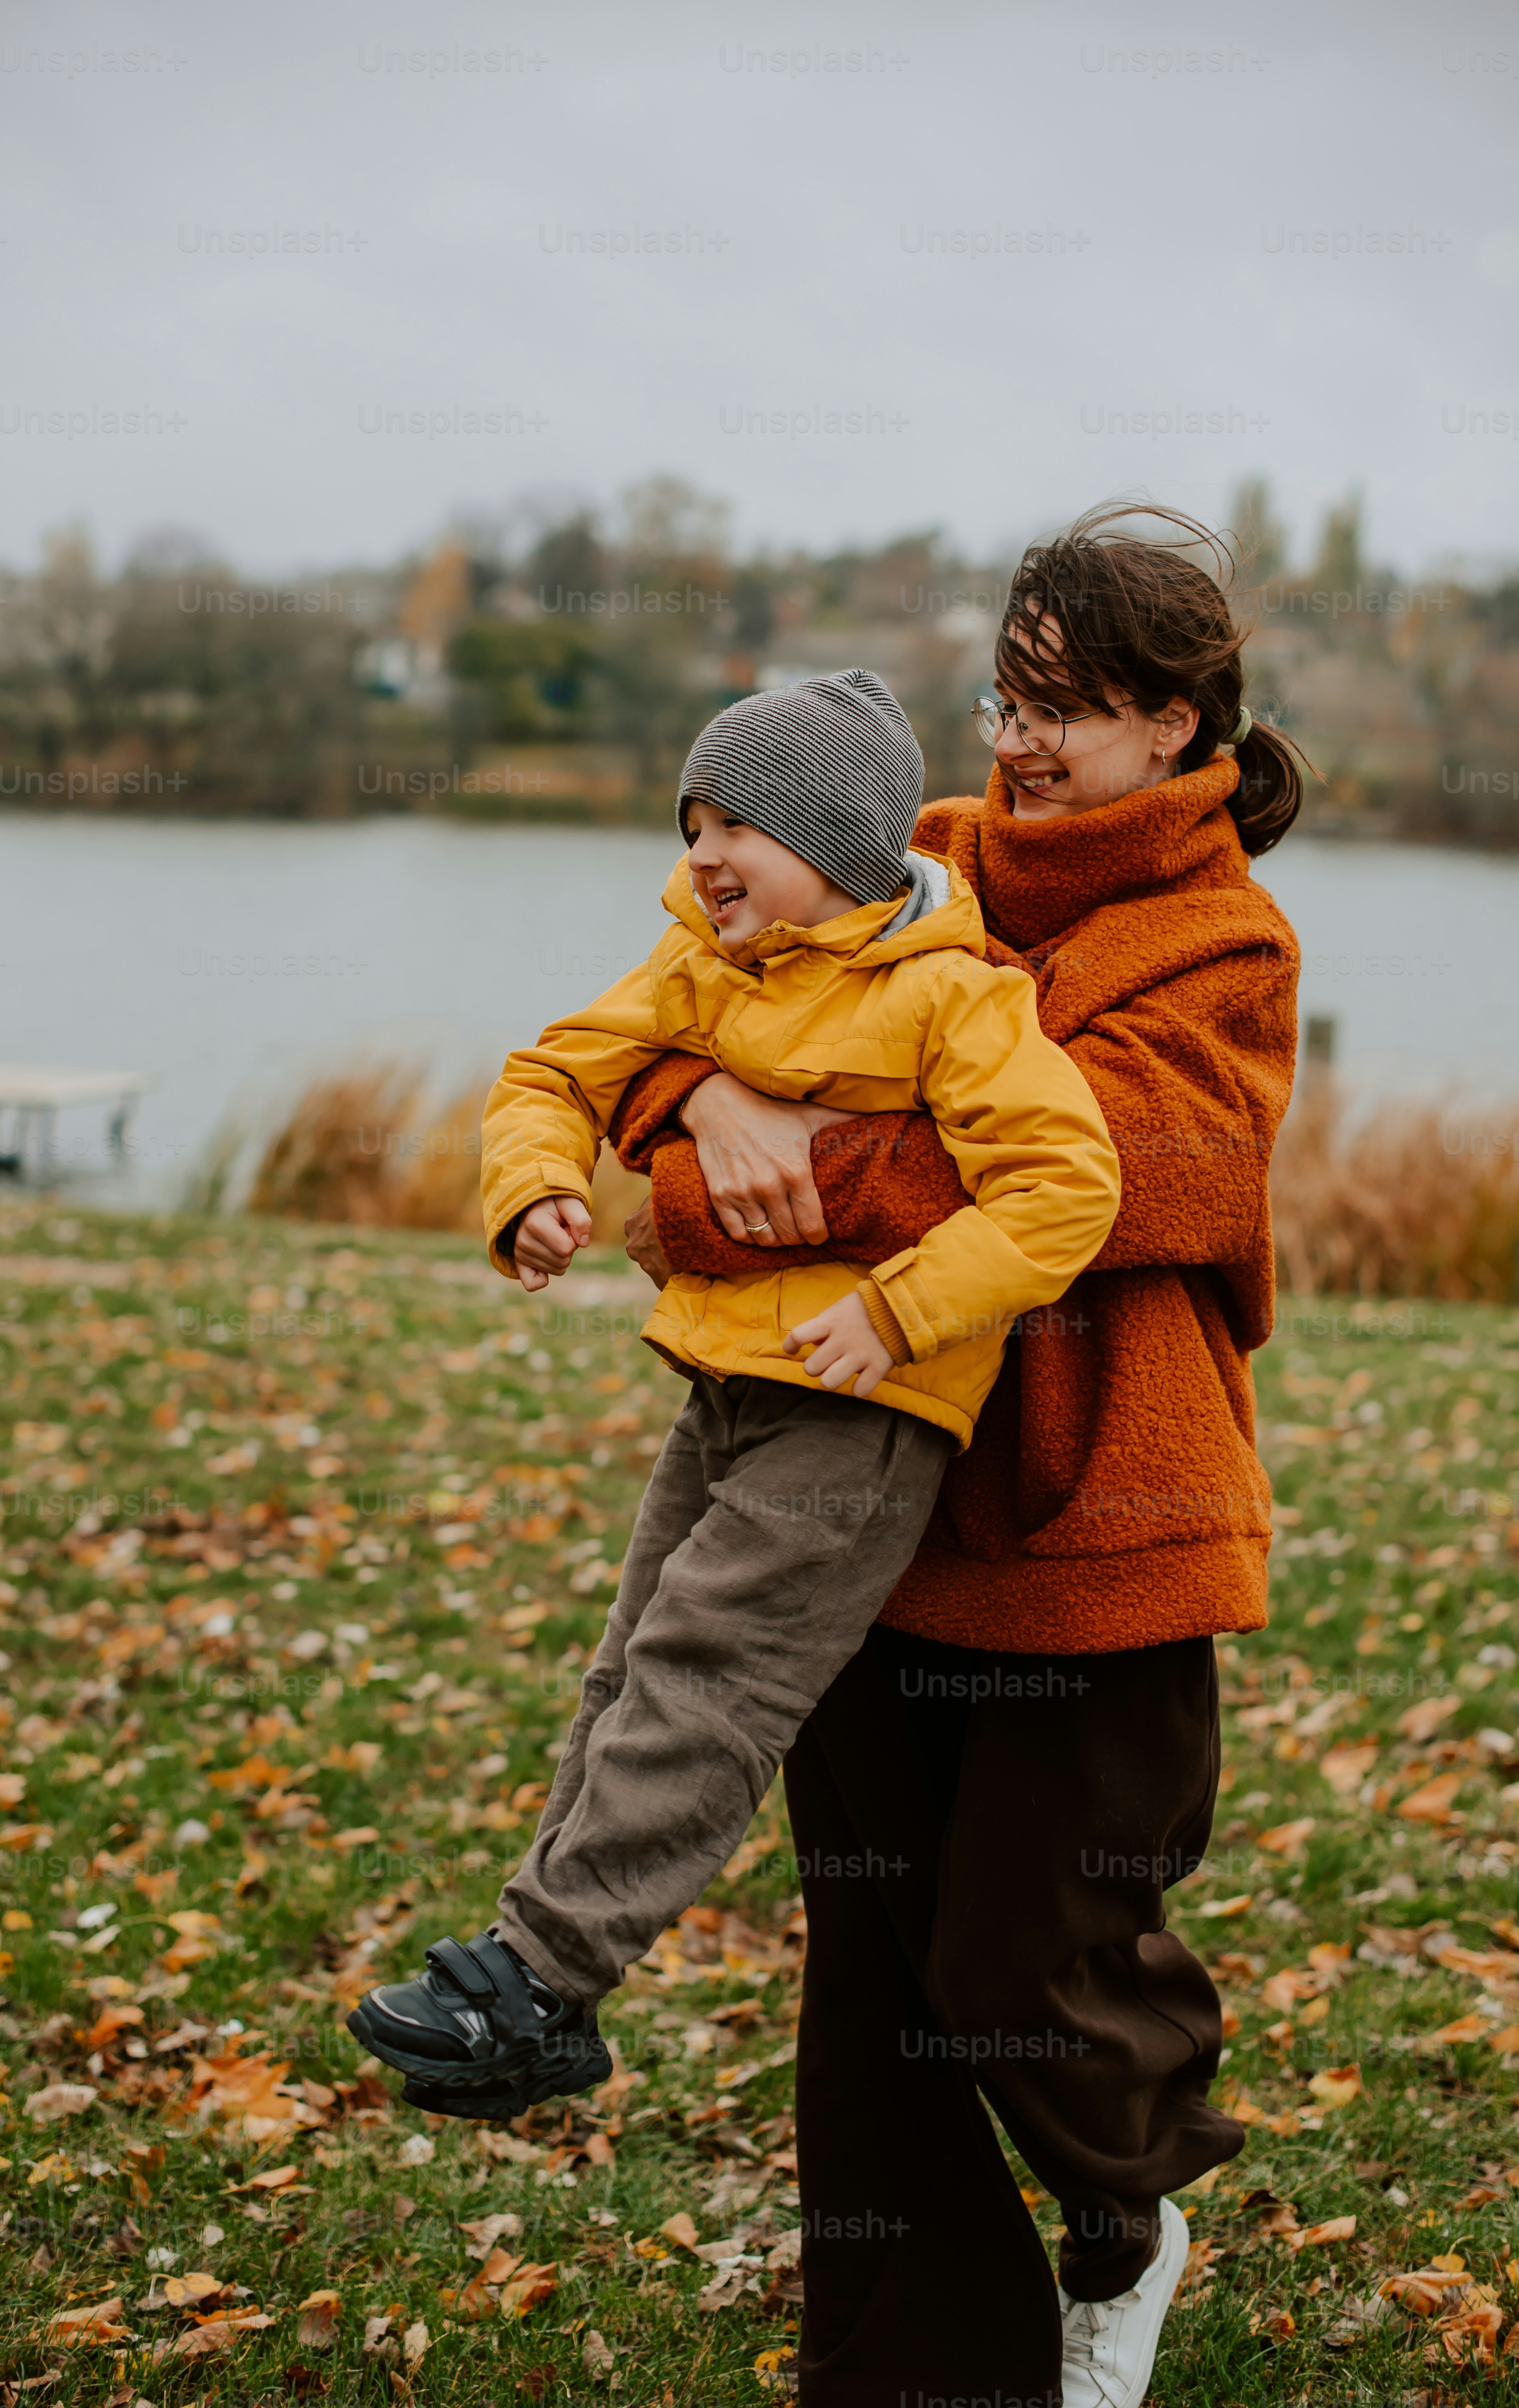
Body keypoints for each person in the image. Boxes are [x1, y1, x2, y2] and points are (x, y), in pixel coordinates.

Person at [609, 507, 1304, 2408]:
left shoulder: (1220, 940)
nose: (1017, 739)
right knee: (872, 1980)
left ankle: (1127, 2197)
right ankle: (912, 2369)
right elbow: (660, 1020)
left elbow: (1139, 1176)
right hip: (862, 1482)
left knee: (1025, 1949)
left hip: (1096, 1509)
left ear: (1175, 726)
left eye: (1066, 707)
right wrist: (712, 1091)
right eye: (1008, 694)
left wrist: (794, 1157)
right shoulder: (903, 864)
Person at [349, 665, 1120, 2121]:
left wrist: (902, 1310)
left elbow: (1067, 1185)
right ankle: (530, 1972)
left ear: (833, 843)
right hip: (724, 1383)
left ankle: (547, 1968)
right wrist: (531, 1191)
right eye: (693, 820)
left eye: (737, 826)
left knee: (709, 1674)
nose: (701, 854)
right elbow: (549, 1074)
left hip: (867, 1413)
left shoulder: (952, 994)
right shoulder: (706, 964)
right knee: (634, 1657)